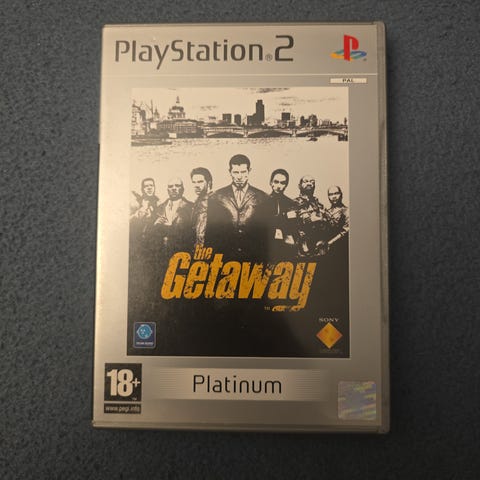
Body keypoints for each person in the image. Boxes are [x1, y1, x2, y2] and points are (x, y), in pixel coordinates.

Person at [205, 154, 267, 259]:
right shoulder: (215, 197)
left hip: (253, 257)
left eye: (243, 172)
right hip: (224, 257)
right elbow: (211, 232)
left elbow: (265, 234)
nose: (239, 176)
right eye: (236, 172)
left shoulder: (263, 198)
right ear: (230, 172)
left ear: (249, 171)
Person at [256, 168, 297, 259]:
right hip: (267, 246)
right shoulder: (262, 203)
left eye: (282, 183)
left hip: (286, 248)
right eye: (276, 182)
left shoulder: (291, 204)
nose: (279, 186)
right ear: (271, 183)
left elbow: (293, 227)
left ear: (286, 185)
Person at [293, 175, 332, 257]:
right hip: (301, 248)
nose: (309, 183)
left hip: (319, 247)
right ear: (299, 186)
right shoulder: (293, 204)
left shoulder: (320, 205)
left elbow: (329, 224)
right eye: (306, 181)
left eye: (312, 182)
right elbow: (289, 225)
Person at [153, 177, 193, 254]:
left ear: (182, 189)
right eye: (170, 186)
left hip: (182, 252)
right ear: (167, 190)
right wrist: (155, 225)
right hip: (160, 253)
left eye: (177, 185)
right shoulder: (158, 209)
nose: (174, 188)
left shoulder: (191, 208)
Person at [190, 167, 213, 248]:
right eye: (194, 182)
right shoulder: (198, 201)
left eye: (200, 182)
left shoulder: (210, 202)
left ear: (209, 183)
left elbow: (201, 234)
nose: (196, 185)